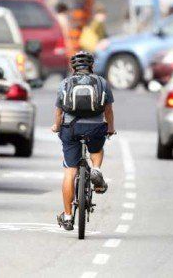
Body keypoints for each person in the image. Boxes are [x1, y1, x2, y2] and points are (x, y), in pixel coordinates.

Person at [52, 51, 115, 231]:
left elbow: (58, 112)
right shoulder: (102, 82)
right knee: (96, 149)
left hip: (70, 128)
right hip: (95, 128)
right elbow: (108, 110)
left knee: (69, 172)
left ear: (73, 67)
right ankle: (96, 170)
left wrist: (56, 126)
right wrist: (110, 127)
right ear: (92, 66)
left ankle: (68, 217)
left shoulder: (65, 83)